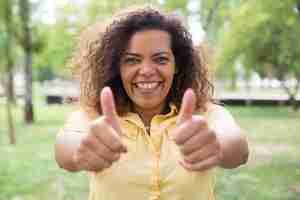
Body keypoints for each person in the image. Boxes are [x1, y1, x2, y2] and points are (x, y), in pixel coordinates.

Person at [55, 6, 249, 200]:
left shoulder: (205, 114)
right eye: (132, 60)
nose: (147, 70)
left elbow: (238, 148)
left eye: (161, 59)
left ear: (177, 65)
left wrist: (217, 146)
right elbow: (64, 148)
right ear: (117, 68)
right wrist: (82, 149)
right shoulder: (96, 116)